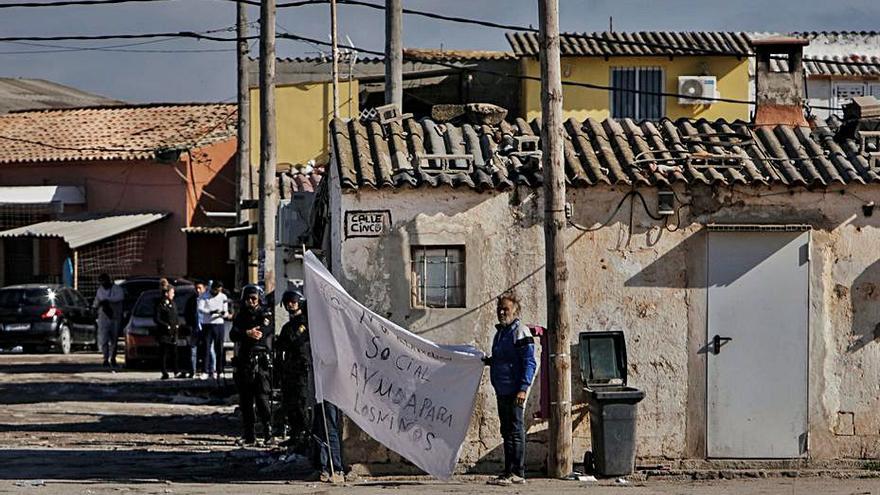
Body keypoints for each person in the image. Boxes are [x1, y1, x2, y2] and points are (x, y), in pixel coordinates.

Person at [484, 292, 536, 486]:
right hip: (502, 389)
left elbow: (529, 362)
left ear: (515, 310)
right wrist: (488, 361)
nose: (502, 312)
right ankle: (508, 471)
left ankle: (518, 472)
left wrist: (523, 388)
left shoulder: (520, 331)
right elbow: (504, 359)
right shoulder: (500, 333)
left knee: (515, 429)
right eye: (499, 309)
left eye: (506, 309)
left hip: (515, 390)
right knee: (506, 431)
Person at [230, 286, 274, 445]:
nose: (250, 301)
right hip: (245, 361)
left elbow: (264, 330)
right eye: (248, 298)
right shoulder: (241, 315)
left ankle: (268, 432)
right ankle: (249, 435)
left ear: (259, 299)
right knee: (246, 400)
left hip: (260, 360)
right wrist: (246, 333)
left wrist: (252, 333)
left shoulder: (265, 313)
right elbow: (233, 333)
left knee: (262, 398)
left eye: (254, 298)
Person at [276, 290, 314, 452]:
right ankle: (295, 434)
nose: (290, 304)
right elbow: (282, 346)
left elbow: (298, 342)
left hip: (303, 369)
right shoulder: (288, 326)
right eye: (287, 302)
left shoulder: (306, 323)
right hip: (290, 369)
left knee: (301, 403)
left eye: (292, 301)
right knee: (289, 403)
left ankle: (306, 435)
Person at [199, 280, 229, 380]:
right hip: (207, 324)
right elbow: (200, 309)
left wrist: (222, 313)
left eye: (219, 291)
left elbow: (226, 311)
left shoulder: (223, 296)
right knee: (206, 348)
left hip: (219, 323)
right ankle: (205, 371)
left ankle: (219, 370)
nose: (217, 293)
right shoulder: (204, 296)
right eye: (216, 290)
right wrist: (210, 311)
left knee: (219, 348)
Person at [93, 273, 124, 370]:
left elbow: (119, 298)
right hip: (103, 317)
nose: (103, 283)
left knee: (114, 339)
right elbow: (96, 302)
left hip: (114, 317)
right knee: (104, 339)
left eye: (105, 281)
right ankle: (105, 358)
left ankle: (113, 358)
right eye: (101, 281)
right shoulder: (100, 290)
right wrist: (95, 307)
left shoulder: (117, 289)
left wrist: (107, 300)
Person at [154, 284, 180, 380]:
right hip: (164, 333)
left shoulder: (173, 303)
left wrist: (177, 325)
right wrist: (166, 325)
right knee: (164, 353)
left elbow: (175, 316)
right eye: (171, 292)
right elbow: (157, 318)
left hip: (173, 332)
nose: (173, 294)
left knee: (174, 353)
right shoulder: (160, 304)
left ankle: (176, 371)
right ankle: (164, 372)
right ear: (166, 293)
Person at [184, 281, 206, 379]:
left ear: (204, 289)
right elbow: (187, 313)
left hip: (205, 328)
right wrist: (189, 324)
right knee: (193, 350)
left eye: (200, 288)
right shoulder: (191, 300)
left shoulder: (207, 299)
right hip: (194, 328)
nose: (198, 290)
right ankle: (192, 371)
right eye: (196, 288)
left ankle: (207, 371)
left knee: (207, 350)